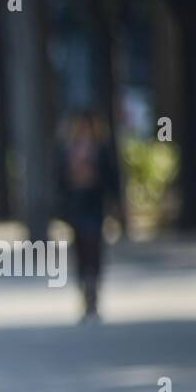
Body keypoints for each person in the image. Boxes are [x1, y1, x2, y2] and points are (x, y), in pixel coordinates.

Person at [56, 109, 119, 323]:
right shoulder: (67, 150)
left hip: (94, 203)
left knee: (94, 247)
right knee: (81, 250)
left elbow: (111, 178)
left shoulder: (100, 149)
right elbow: (60, 179)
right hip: (76, 205)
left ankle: (94, 294)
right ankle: (85, 292)